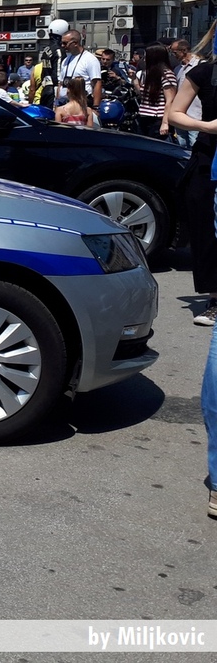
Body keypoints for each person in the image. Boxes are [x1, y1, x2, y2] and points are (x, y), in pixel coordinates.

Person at [164, 63, 217, 517]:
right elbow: (175, 114)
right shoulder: (206, 71)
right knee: (205, 235)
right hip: (209, 160)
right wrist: (207, 125)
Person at [136, 42, 177, 141]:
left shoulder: (167, 75)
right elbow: (142, 95)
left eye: (147, 56)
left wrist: (165, 123)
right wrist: (134, 79)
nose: (144, 59)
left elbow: (170, 101)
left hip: (157, 118)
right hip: (145, 116)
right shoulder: (148, 74)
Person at [57, 29, 102, 107]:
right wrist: (57, 103)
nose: (62, 46)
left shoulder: (90, 59)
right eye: (62, 43)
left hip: (82, 103)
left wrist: (96, 107)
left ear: (75, 43)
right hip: (64, 104)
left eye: (65, 43)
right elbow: (61, 84)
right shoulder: (65, 60)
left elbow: (97, 83)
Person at [172, 39, 202, 148]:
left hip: (196, 116)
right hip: (180, 117)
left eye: (175, 52)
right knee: (181, 146)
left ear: (184, 50)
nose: (173, 55)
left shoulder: (200, 66)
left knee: (194, 146)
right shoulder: (177, 69)